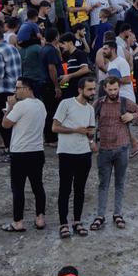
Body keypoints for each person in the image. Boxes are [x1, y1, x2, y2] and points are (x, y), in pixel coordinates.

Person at [92, 76, 138, 231]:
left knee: (119, 183)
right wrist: (91, 141)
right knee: (103, 184)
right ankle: (100, 215)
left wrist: (132, 116)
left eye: (115, 89)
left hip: (122, 148)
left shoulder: (124, 102)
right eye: (110, 89)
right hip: (104, 149)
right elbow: (89, 121)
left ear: (119, 88)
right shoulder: (98, 104)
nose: (113, 92)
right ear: (104, 89)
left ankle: (118, 214)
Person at [0, 77, 47, 232]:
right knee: (38, 186)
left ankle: (18, 222)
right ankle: (40, 218)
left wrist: (10, 107)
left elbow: (5, 124)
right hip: (37, 151)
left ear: (27, 89)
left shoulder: (20, 106)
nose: (15, 91)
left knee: (18, 188)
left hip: (20, 152)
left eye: (18, 88)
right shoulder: (41, 105)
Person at [52, 77, 97, 239]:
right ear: (80, 90)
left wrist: (91, 139)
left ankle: (77, 221)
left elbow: (90, 131)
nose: (93, 92)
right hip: (66, 152)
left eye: (94, 89)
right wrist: (75, 130)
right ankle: (63, 223)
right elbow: (54, 127)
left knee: (80, 189)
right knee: (65, 189)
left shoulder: (90, 109)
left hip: (84, 153)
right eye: (89, 89)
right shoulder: (66, 104)